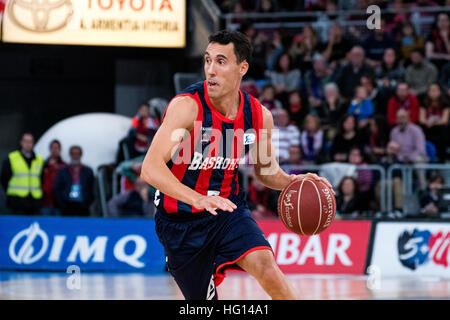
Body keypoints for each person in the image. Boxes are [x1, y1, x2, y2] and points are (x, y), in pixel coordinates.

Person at [140, 30, 333, 300]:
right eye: (207, 60)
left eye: (221, 61)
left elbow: (265, 171)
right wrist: (198, 199)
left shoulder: (258, 115)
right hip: (179, 223)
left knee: (266, 266)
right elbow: (150, 168)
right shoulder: (187, 107)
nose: (210, 70)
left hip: (227, 213)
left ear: (242, 67)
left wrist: (294, 181)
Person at [0, 133, 44, 215]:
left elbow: (42, 179)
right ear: (21, 142)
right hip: (17, 201)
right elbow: (4, 179)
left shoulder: (39, 160)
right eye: (26, 141)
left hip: (34, 202)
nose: (28, 144)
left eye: (30, 142)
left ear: (34, 143)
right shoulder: (12, 158)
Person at [390, 109, 428, 190]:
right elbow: (394, 149)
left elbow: (420, 149)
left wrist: (410, 158)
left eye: (403, 117)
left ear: (408, 118)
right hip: (401, 157)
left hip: (416, 157)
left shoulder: (416, 130)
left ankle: (423, 189)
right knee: (389, 161)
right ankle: (398, 192)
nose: (400, 120)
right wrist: (401, 157)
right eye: (398, 118)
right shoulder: (394, 131)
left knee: (418, 161)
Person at [53, 145, 94, 216]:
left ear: (81, 155)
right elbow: (57, 188)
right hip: (67, 205)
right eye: (73, 153)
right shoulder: (63, 171)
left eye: (77, 153)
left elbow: (92, 188)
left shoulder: (88, 171)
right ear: (70, 155)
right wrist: (62, 203)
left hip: (83, 206)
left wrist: (88, 202)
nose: (75, 156)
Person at [419, 83, 450, 162]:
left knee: (444, 129)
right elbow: (422, 119)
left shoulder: (445, 103)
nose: (433, 93)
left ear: (439, 92)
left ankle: (441, 158)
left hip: (439, 128)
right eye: (431, 91)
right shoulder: (424, 103)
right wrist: (428, 122)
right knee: (421, 128)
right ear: (428, 92)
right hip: (428, 127)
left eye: (435, 90)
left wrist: (433, 122)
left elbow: (444, 120)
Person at [41, 139, 66, 216]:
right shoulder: (43, 165)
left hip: (59, 203)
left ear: (60, 150)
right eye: (53, 148)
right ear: (50, 149)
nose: (54, 150)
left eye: (57, 148)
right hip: (45, 202)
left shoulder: (64, 166)